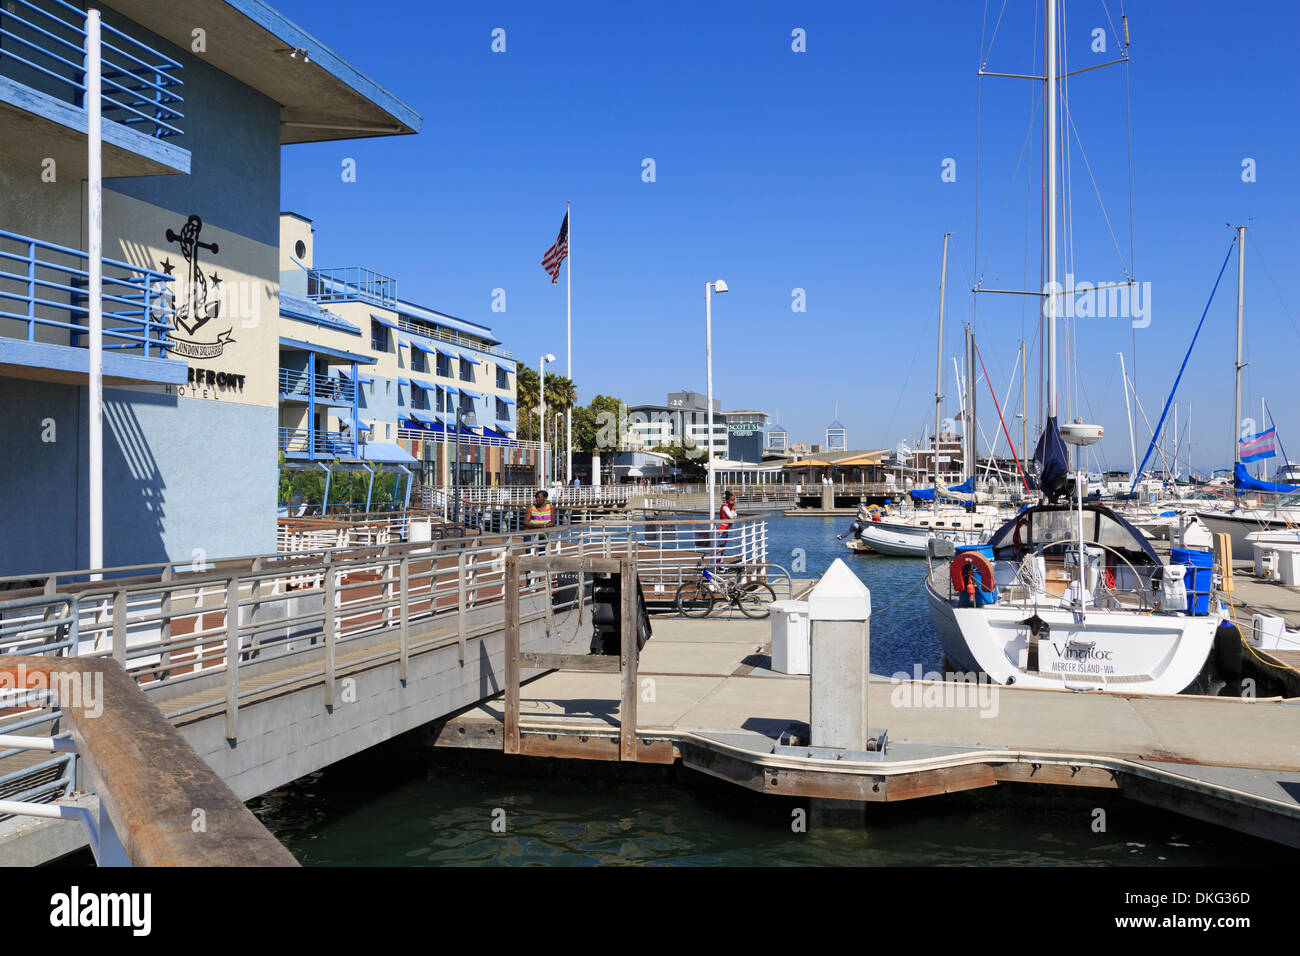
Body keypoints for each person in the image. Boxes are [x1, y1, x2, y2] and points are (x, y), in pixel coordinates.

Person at [715, 490, 737, 564]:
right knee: (720, 547)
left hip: (726, 529)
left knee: (722, 547)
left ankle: (720, 562)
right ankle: (718, 563)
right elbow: (731, 516)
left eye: (734, 500)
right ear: (727, 500)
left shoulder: (730, 508)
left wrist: (733, 509)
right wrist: (733, 508)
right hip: (722, 529)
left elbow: (735, 516)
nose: (733, 501)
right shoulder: (725, 507)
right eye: (732, 500)